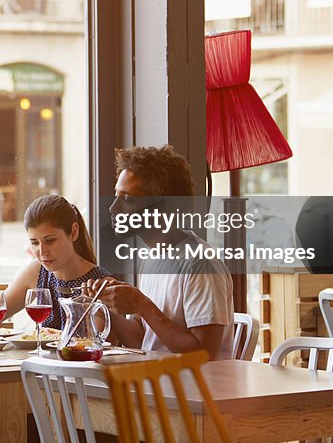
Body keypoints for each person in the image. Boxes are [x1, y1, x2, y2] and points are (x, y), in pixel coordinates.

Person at [84, 145, 234, 358]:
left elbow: (204, 354)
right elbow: (141, 340)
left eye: (128, 199)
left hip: (196, 389)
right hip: (158, 382)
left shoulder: (199, 264)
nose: (113, 208)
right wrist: (102, 305)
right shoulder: (152, 256)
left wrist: (141, 304)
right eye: (116, 196)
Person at [0, 195, 111, 331]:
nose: (42, 251)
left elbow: (102, 343)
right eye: (34, 243)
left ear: (73, 232)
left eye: (50, 240)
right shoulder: (36, 271)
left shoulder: (101, 283)